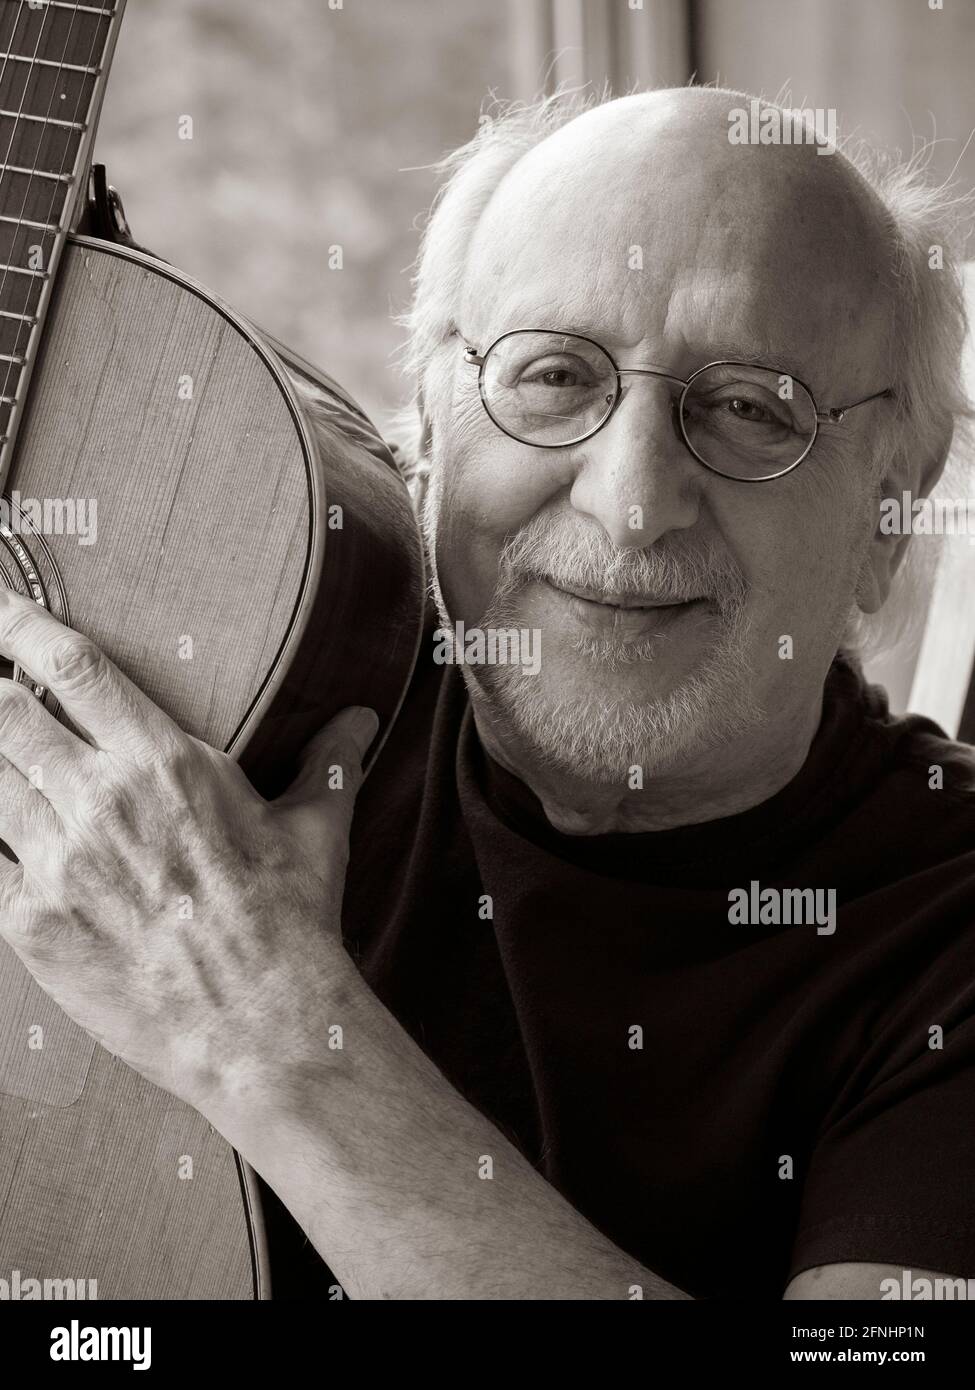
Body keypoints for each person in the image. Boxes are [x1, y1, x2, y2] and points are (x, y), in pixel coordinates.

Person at [0, 86, 972, 1300]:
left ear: (894, 502)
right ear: (427, 420)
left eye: (747, 408)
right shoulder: (234, 699)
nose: (630, 503)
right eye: (556, 376)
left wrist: (265, 1023)